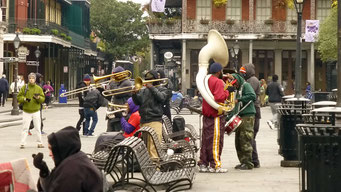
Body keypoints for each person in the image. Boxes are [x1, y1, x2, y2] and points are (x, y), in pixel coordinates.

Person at [32, 126, 103, 192]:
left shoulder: (71, 171)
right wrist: (44, 171)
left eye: (52, 149)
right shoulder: (76, 158)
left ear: (62, 148)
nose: (50, 154)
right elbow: (52, 187)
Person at [197, 62, 234, 173]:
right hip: (215, 115)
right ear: (219, 71)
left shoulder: (206, 80)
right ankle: (215, 165)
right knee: (216, 140)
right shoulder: (217, 82)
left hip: (207, 115)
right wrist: (228, 91)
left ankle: (203, 163)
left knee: (206, 140)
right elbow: (219, 97)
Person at [132, 70, 168, 163]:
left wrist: (152, 88)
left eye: (151, 80)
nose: (148, 81)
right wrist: (134, 94)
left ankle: (156, 166)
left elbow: (162, 98)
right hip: (144, 120)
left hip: (155, 120)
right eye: (147, 79)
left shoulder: (162, 89)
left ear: (155, 80)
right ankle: (147, 166)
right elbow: (137, 102)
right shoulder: (143, 91)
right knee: (146, 144)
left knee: (154, 145)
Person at [229, 73, 256, 170]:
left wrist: (239, 99)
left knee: (245, 139)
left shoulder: (246, 85)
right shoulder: (239, 88)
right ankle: (242, 161)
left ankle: (248, 163)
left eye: (235, 84)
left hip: (247, 115)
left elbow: (252, 96)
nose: (234, 86)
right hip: (241, 115)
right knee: (239, 140)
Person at [239, 64, 261, 168]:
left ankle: (254, 160)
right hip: (254, 110)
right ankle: (252, 160)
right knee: (250, 137)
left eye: (244, 72)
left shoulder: (252, 80)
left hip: (254, 111)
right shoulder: (251, 80)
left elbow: (249, 94)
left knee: (249, 136)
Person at [17, 73, 45, 149]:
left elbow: (43, 99)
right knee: (25, 128)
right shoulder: (24, 87)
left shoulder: (38, 88)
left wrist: (38, 97)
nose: (31, 79)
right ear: (28, 79)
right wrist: (25, 99)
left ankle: (39, 143)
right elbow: (19, 97)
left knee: (38, 127)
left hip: (36, 110)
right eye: (30, 78)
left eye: (33, 78)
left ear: (35, 79)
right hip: (26, 110)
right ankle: (22, 143)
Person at [106, 66, 132, 132]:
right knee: (108, 136)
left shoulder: (126, 83)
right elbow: (111, 97)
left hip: (120, 115)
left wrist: (111, 82)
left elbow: (117, 94)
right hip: (113, 115)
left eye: (115, 75)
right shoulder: (118, 83)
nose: (113, 77)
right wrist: (100, 90)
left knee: (116, 135)